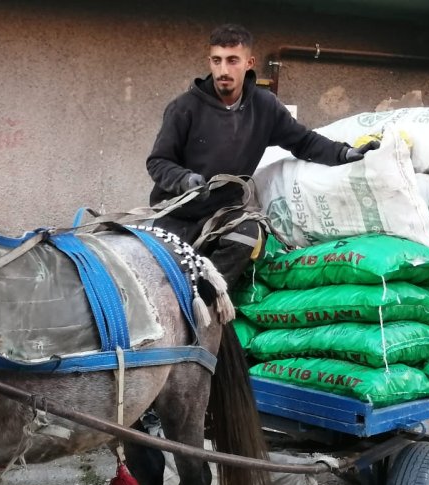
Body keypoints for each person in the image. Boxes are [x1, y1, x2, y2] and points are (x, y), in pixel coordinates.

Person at [146, 23, 378, 291]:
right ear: (209, 61)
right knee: (163, 279)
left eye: (233, 61)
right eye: (217, 60)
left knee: (250, 235)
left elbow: (302, 141)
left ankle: (206, 304)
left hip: (225, 215)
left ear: (248, 62)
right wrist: (184, 180)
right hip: (176, 215)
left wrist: (344, 152)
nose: (223, 70)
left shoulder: (264, 106)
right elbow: (158, 161)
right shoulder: (184, 108)